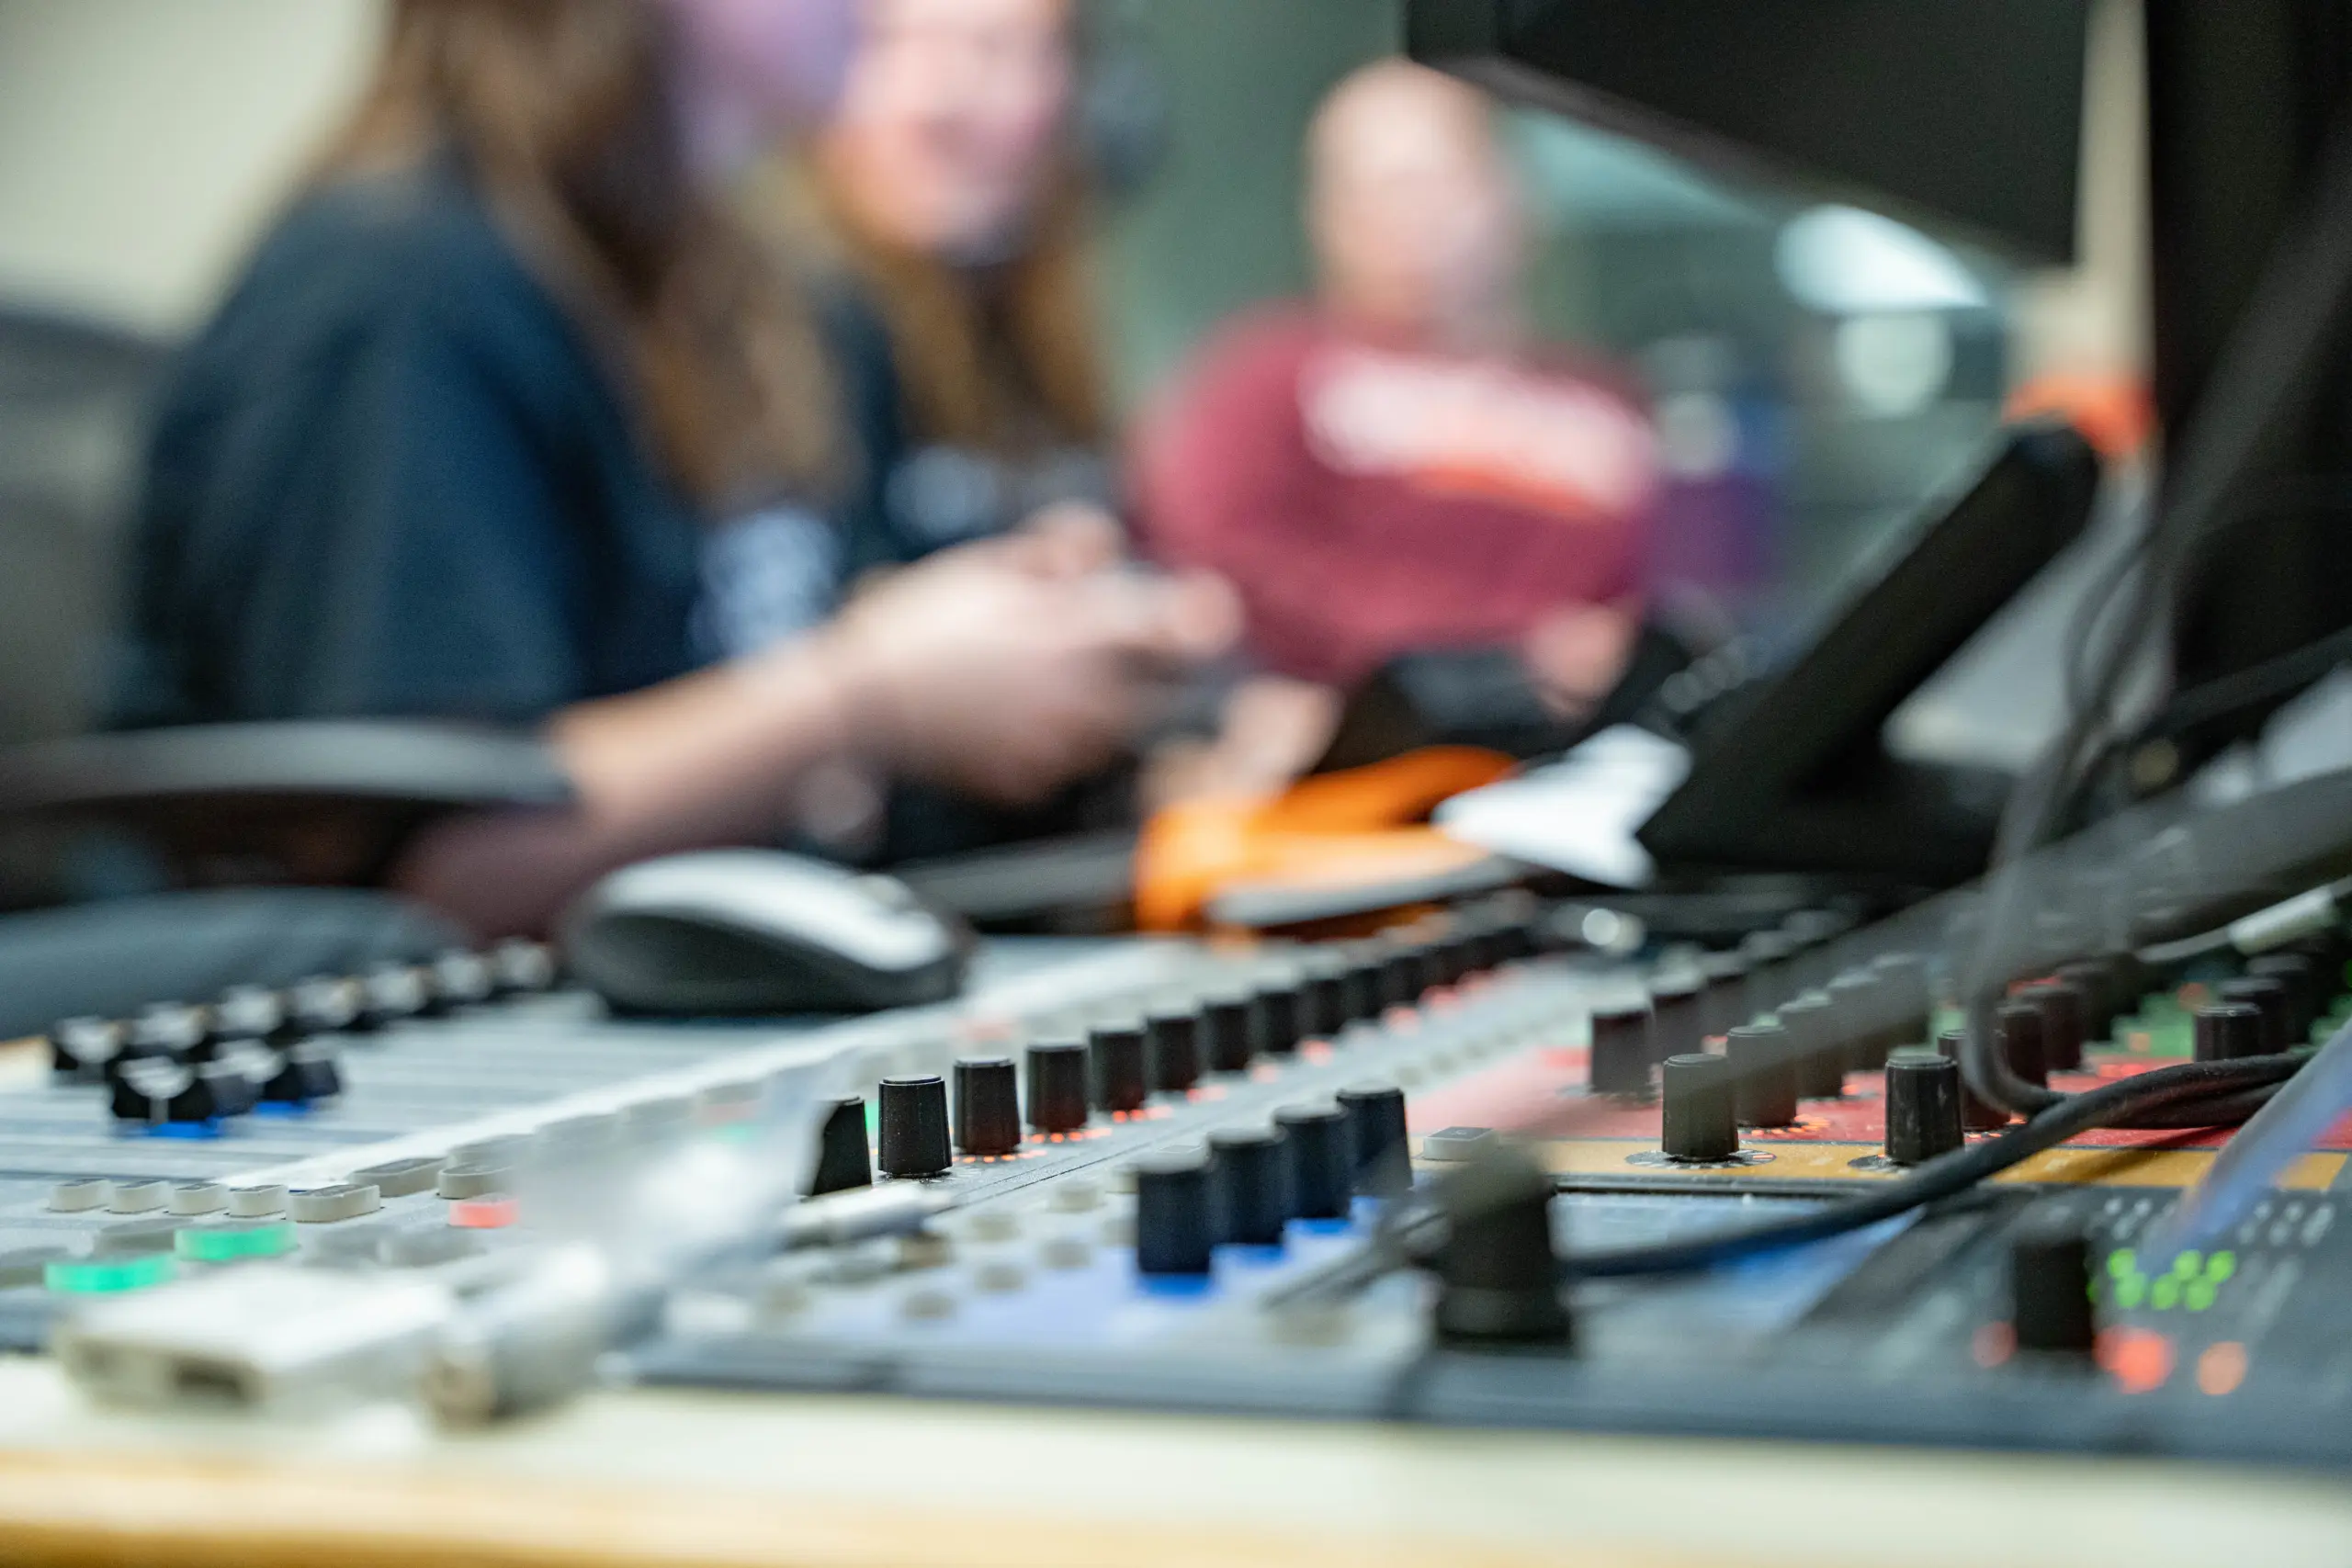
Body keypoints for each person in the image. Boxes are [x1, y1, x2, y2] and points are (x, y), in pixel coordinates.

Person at [112, 0, 1229, 938]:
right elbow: (443, 873)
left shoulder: (732, 293)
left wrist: (1013, 638)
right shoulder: (406, 299)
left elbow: (756, 675)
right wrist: (872, 690)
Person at [1134, 61, 1661, 780]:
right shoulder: (1267, 374)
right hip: (1364, 753)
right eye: (1376, 187)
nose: (1411, 217)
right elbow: (1230, 554)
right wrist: (1499, 650)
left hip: (1590, 754)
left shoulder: (1607, 400)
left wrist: (1613, 648)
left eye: (1436, 178)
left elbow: (1667, 586)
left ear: (1511, 191)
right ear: (1323, 216)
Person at [780, 0, 1115, 570]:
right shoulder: (789, 329)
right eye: (886, 46)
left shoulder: (1041, 321)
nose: (935, 101)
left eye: (993, 50)